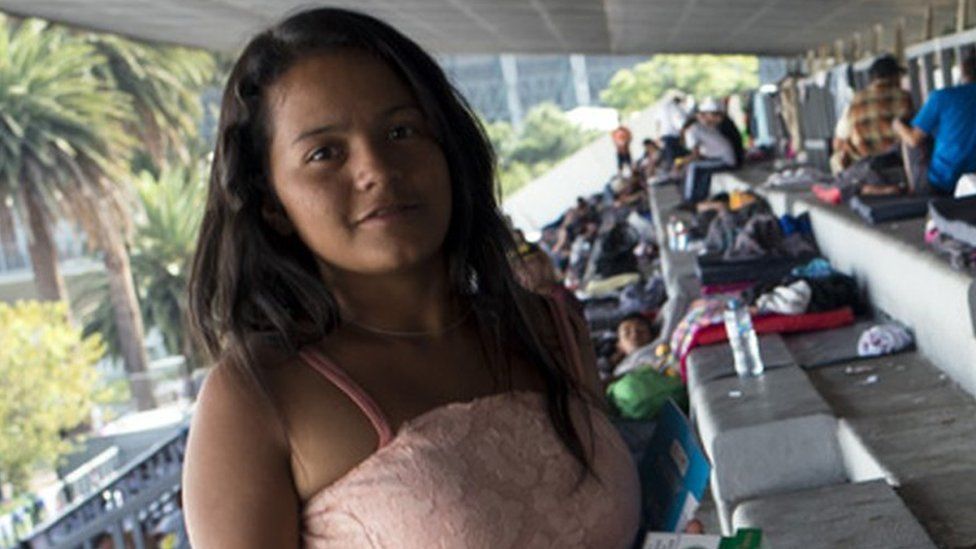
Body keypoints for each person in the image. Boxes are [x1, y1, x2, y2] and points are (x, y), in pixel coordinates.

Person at [181, 8, 639, 548]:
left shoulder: (547, 328)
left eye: (401, 130)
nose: (376, 168)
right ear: (272, 204)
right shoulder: (257, 397)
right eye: (324, 153)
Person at [894, 54, 976, 195]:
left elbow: (913, 140)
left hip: (943, 180)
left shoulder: (941, 97)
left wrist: (897, 125)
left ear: (963, 72)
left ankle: (912, 190)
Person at [837, 54, 913, 169]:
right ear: (893, 76)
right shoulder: (903, 97)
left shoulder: (856, 100)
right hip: (898, 164)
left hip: (866, 167)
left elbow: (840, 140)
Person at [681, 98, 739, 202]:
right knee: (701, 169)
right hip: (728, 157)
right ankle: (701, 196)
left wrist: (682, 162)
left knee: (692, 167)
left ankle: (690, 199)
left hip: (725, 160)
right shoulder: (701, 126)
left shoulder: (692, 131)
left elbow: (695, 155)